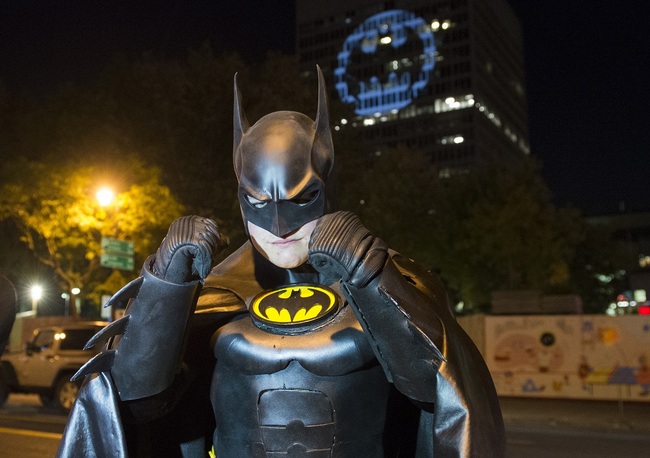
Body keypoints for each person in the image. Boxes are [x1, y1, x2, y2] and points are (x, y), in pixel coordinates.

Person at [57, 67, 504, 457]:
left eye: (302, 198)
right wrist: (166, 287)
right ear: (240, 197)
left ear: (327, 188)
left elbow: (440, 391)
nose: (278, 224)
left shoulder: (383, 276)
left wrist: (370, 274)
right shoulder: (215, 290)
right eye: (256, 201)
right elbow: (136, 402)